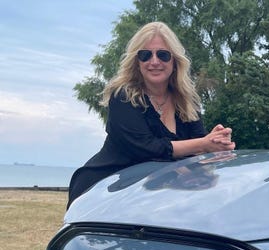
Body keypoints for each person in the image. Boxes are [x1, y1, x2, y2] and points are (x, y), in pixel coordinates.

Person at [67, 21, 235, 208]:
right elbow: (146, 148)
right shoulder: (123, 96)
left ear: (175, 61)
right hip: (105, 188)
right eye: (145, 55)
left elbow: (195, 148)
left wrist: (216, 143)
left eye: (163, 55)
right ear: (137, 62)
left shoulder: (189, 101)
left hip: (152, 195)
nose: (154, 61)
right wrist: (203, 144)